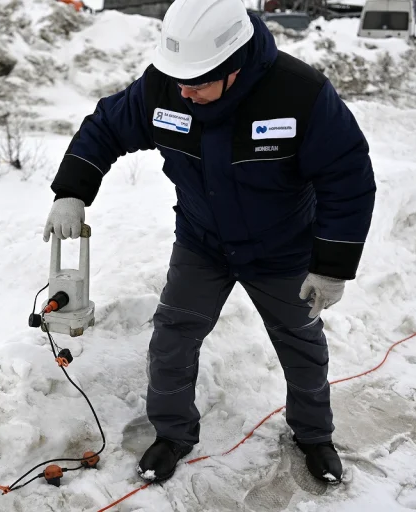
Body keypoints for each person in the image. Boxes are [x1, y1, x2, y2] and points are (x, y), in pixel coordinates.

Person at [42, 0, 376, 485]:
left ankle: (314, 435)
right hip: (203, 242)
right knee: (174, 336)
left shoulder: (299, 95)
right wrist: (72, 190)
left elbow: (348, 177)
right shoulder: (166, 87)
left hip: (282, 250)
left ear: (233, 67)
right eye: (178, 80)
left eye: (195, 82)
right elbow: (107, 126)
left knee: (302, 344)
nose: (183, 91)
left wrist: (332, 266)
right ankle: (173, 433)